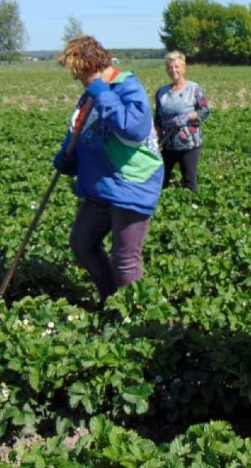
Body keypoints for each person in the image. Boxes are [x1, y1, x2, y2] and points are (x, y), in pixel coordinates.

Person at [53, 35, 163, 309]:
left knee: (125, 258)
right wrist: (68, 155)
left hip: (132, 184)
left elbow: (134, 129)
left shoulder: (127, 87)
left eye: (80, 73)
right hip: (101, 185)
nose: (79, 80)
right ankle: (111, 298)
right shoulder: (89, 93)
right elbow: (81, 128)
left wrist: (103, 94)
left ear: (92, 65)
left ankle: (134, 318)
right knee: (82, 243)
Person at [154, 50, 211, 191]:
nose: (173, 70)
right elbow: (158, 118)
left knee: (189, 182)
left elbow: (205, 112)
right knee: (160, 181)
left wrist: (187, 117)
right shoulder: (162, 92)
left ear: (183, 68)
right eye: (170, 67)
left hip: (188, 144)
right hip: (167, 145)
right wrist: (155, 137)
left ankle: (195, 207)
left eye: (176, 66)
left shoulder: (194, 89)